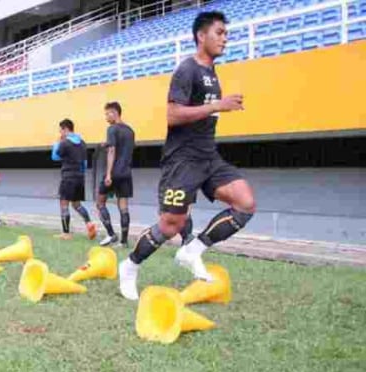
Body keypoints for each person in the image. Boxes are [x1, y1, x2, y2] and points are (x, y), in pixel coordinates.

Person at [118, 11, 256, 300]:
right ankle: (129, 266)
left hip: (209, 157)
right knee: (172, 225)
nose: (225, 38)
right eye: (219, 33)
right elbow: (173, 114)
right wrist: (218, 105)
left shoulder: (211, 73)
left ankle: (193, 250)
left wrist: (218, 105)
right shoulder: (187, 70)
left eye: (226, 33)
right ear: (201, 36)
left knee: (245, 203)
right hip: (182, 161)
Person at [96, 102, 135, 248]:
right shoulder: (130, 130)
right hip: (126, 172)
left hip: (113, 173)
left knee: (100, 203)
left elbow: (112, 151)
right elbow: (122, 148)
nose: (106, 117)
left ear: (114, 112)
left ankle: (112, 234)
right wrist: (107, 144)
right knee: (123, 207)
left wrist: (108, 174)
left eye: (107, 113)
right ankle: (124, 242)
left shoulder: (112, 129)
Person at [51, 119, 97, 240]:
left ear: (65, 129)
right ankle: (89, 223)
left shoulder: (65, 143)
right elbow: (85, 164)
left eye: (60, 130)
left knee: (64, 204)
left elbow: (55, 157)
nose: (60, 133)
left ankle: (66, 233)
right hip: (80, 178)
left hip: (68, 177)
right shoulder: (82, 143)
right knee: (77, 204)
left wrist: (57, 143)